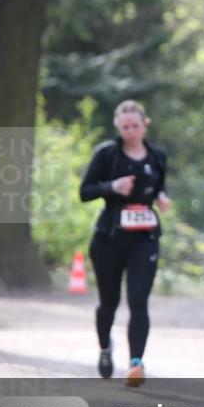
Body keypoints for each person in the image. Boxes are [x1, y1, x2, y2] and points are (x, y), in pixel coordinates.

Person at [79, 100, 170, 387]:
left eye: (135, 126)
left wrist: (162, 198)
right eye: (125, 126)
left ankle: (135, 364)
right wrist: (112, 187)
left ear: (145, 125)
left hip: (145, 238)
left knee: (138, 301)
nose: (131, 131)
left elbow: (159, 186)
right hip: (109, 238)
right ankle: (105, 347)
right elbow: (84, 192)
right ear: (118, 127)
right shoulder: (106, 154)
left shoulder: (157, 156)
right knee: (109, 303)